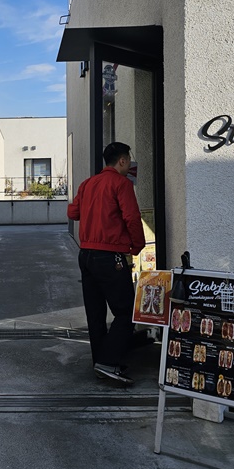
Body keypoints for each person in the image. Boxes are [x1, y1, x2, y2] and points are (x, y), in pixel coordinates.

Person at [67, 142, 145, 385]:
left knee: (96, 313)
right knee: (126, 312)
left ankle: (101, 362)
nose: (129, 164)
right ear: (122, 160)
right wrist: (137, 246)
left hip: (86, 255)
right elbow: (132, 217)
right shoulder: (121, 184)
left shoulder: (87, 184)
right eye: (128, 160)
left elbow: (73, 213)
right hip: (110, 256)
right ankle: (108, 362)